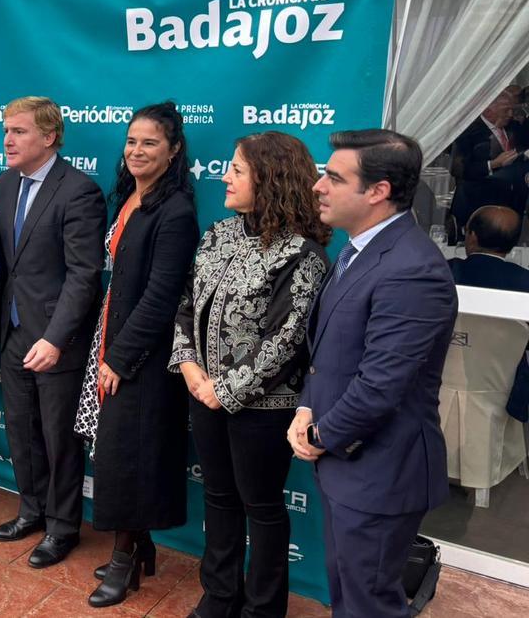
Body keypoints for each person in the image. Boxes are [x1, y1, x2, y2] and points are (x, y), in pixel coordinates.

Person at [289, 129, 457, 618]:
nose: (319, 186)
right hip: (348, 464)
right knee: (347, 592)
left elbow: (381, 384)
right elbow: (331, 353)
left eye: (334, 178)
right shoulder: (358, 249)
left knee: (369, 605)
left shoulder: (412, 269)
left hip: (382, 470)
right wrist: (306, 405)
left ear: (378, 192)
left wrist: (320, 433)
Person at [171, 131, 330, 618]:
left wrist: (225, 391)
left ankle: (262, 608)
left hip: (264, 408)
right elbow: (186, 308)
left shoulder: (302, 255)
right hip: (203, 394)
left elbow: (285, 341)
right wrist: (193, 372)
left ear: (271, 178)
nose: (225, 177)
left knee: (261, 508)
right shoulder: (217, 235)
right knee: (218, 499)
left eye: (237, 170)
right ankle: (220, 596)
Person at [73, 102, 200, 608]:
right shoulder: (130, 197)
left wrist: (120, 359)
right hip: (112, 336)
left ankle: (124, 562)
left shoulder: (178, 212)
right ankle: (141, 547)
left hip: (140, 355)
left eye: (149, 142)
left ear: (172, 152)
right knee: (117, 452)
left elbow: (162, 296)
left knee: (129, 460)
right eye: (131, 141)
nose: (136, 150)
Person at [0, 97, 106, 567]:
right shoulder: (3, 183)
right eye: (5, 131)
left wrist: (55, 338)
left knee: (59, 440)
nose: (7, 140)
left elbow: (84, 275)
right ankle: (31, 510)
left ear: (49, 137)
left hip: (57, 341)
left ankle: (62, 528)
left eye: (18, 131)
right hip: (13, 333)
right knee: (21, 431)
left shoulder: (79, 191)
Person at [448, 205, 529, 423]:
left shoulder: (444, 272)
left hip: (439, 382)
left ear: (472, 236)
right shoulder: (524, 282)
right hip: (503, 395)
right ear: (512, 245)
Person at [450, 90, 529, 231]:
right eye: (506, 110)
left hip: (511, 205)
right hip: (478, 204)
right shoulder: (468, 132)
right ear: (487, 110)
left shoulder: (514, 127)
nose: (511, 114)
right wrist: (493, 164)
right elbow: (458, 169)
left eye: (512, 109)